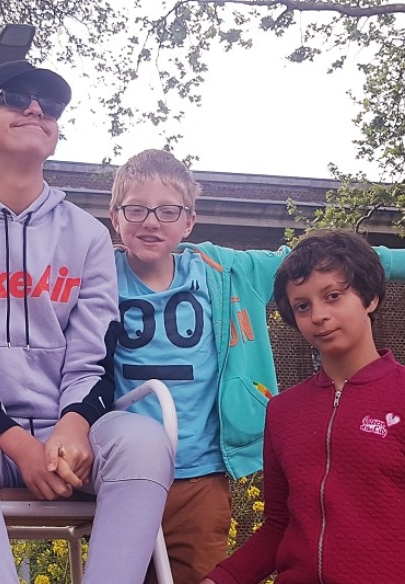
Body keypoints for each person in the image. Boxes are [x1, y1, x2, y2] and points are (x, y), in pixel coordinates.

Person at [0, 61, 175, 584]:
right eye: (14, 98)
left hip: (68, 433)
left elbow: (95, 357)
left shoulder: (87, 234)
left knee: (144, 439)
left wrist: (75, 424)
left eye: (48, 106)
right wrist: (17, 442)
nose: (34, 108)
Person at [108, 149, 405, 584]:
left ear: (189, 220)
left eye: (168, 210)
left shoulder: (228, 271)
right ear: (114, 216)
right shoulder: (95, 275)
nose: (151, 221)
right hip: (121, 471)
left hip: (200, 472)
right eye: (136, 209)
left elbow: (345, 265)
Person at [200, 229, 405, 584]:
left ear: (370, 297)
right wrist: (221, 579)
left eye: (333, 296)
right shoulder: (283, 411)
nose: (318, 315)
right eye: (302, 306)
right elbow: (279, 526)